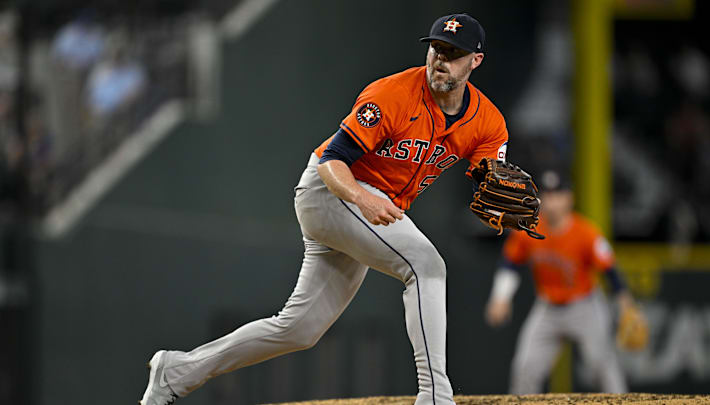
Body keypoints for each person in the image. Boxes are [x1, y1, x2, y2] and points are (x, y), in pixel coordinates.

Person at [141, 13, 512, 405]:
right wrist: (360, 197)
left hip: (367, 211)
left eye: (454, 53)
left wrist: (497, 205)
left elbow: (488, 182)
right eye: (437, 48)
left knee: (299, 329)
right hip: (331, 192)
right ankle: (435, 394)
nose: (441, 59)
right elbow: (332, 160)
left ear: (476, 61)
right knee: (425, 265)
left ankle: (177, 371)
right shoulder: (391, 94)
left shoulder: (488, 122)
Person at [484, 170, 632, 394]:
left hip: (585, 307)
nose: (551, 201)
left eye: (557, 194)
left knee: (601, 367)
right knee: (525, 368)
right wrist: (500, 297)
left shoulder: (586, 233)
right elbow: (510, 263)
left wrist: (624, 302)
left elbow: (609, 270)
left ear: (569, 199)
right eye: (547, 195)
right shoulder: (529, 229)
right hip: (548, 308)